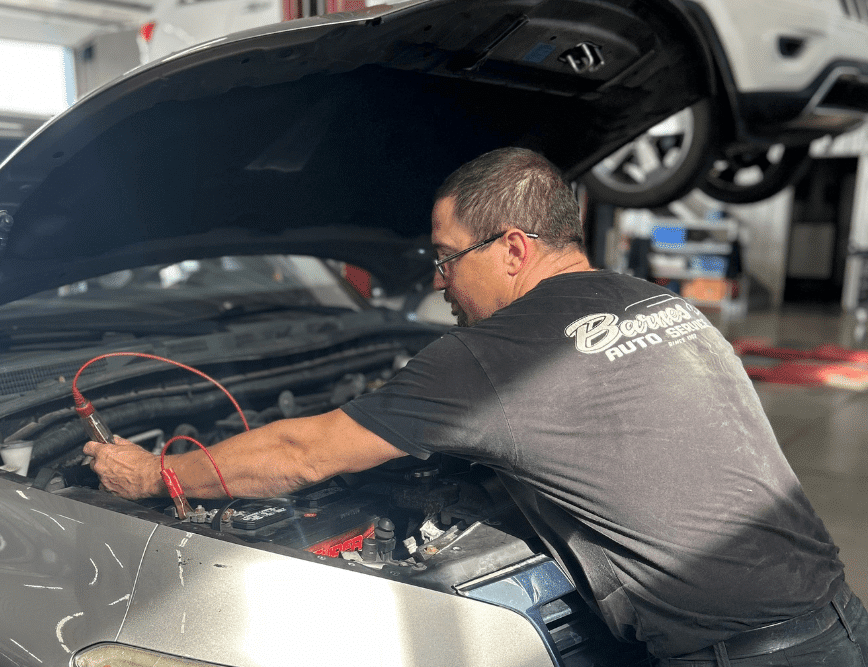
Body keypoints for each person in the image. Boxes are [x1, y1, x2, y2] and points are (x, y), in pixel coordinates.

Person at [85, 147, 868, 666]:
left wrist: (160, 474)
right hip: (836, 618)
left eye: (447, 257)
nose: (437, 281)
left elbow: (303, 454)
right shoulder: (653, 302)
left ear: (515, 247)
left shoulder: (498, 353)